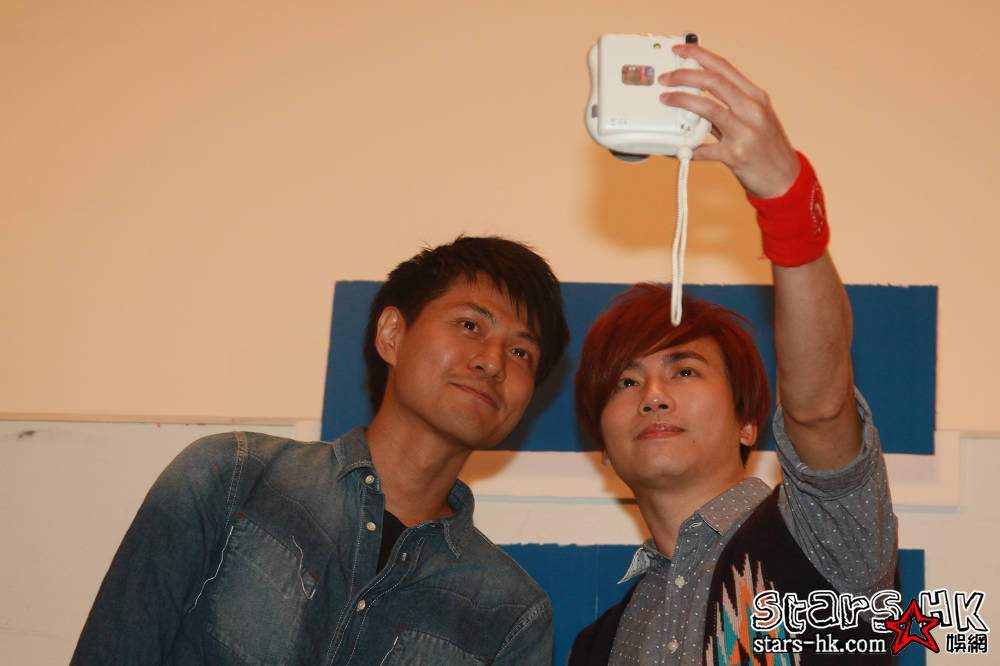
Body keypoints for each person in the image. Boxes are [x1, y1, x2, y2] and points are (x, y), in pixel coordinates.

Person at [72, 236, 570, 665]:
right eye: (470, 325)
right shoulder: (232, 476)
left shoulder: (511, 615)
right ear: (392, 335)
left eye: (521, 352)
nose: (492, 362)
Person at [568, 43, 897, 665]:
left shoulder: (819, 538)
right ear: (603, 449)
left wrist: (785, 197)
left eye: (684, 370)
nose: (653, 396)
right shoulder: (597, 645)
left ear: (749, 422)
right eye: (625, 383)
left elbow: (821, 409)